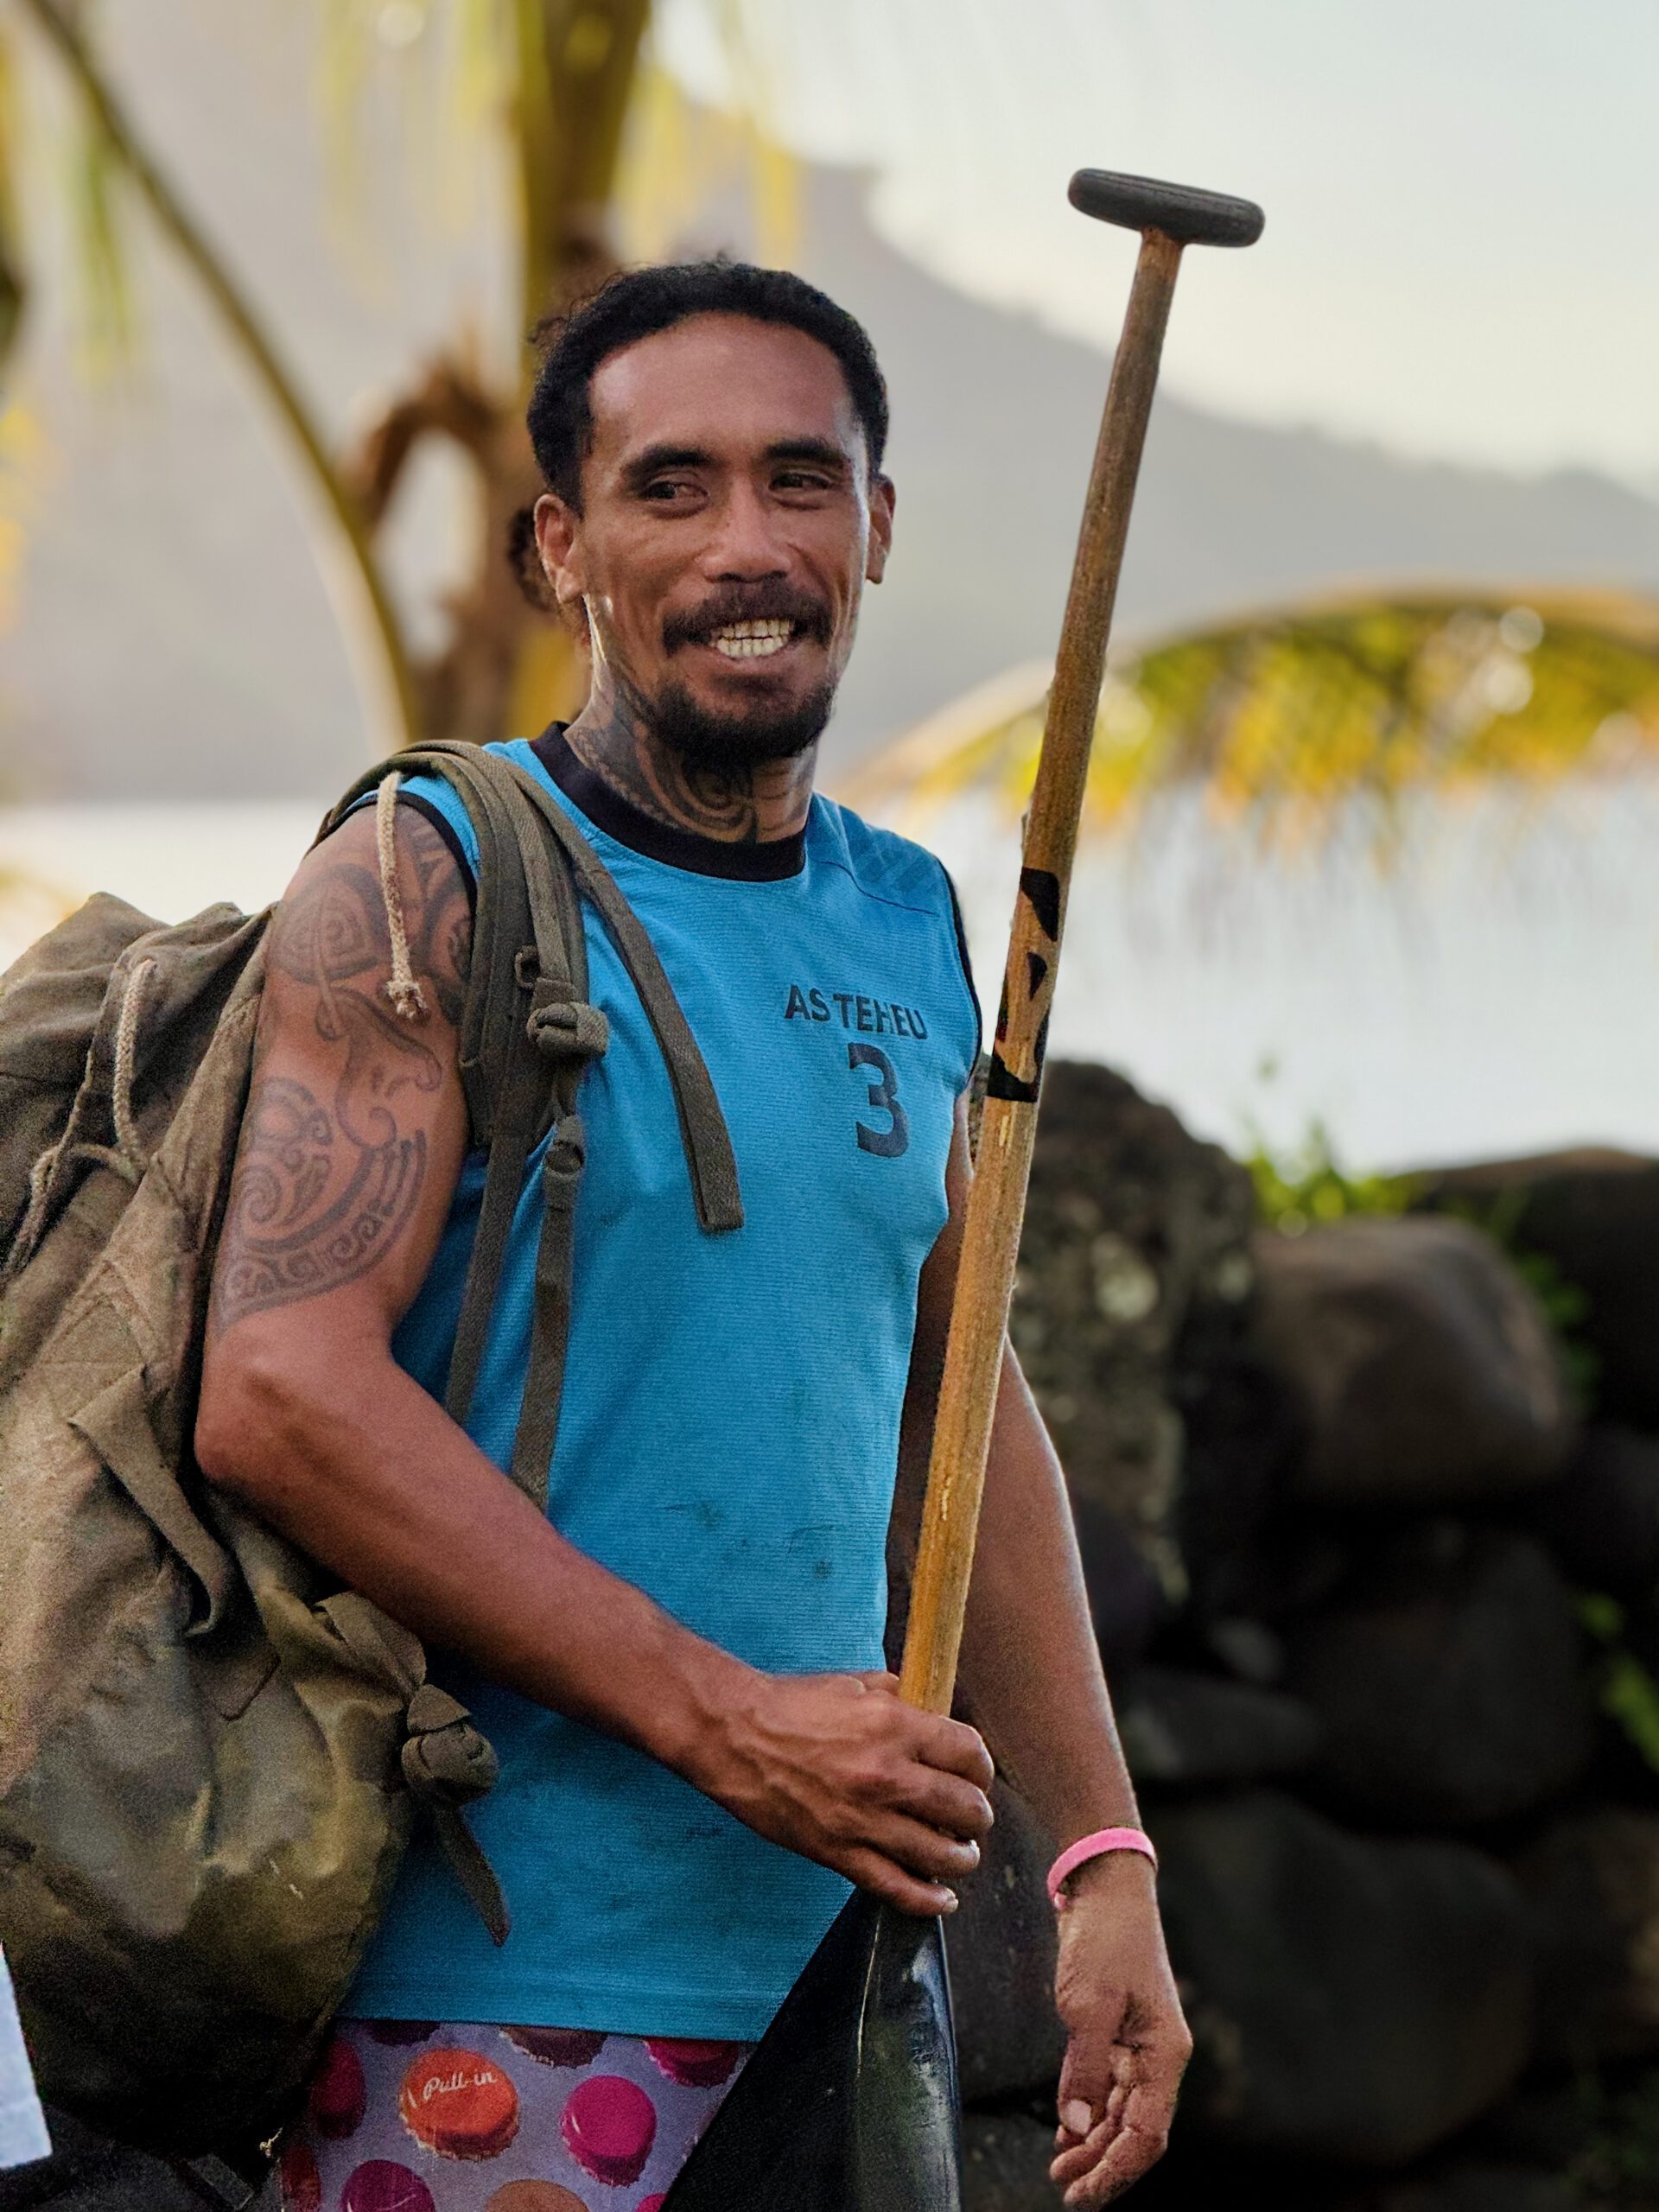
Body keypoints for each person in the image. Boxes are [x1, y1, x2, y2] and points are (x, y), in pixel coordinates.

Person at [197, 258, 1191, 2211]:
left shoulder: (907, 916)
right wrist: (723, 1716)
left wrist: (1103, 1858)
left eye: (802, 480)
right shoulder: (431, 875)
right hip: (490, 2006)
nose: (750, 542)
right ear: (560, 542)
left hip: (844, 1989)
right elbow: (280, 1387)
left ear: (878, 524)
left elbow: (945, 1381)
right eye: (673, 486)